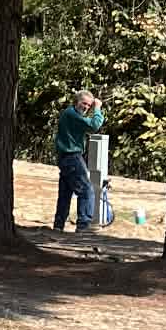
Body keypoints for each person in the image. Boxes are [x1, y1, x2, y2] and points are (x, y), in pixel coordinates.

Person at [53, 88, 105, 233]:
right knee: (86, 191)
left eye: (89, 105)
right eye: (84, 104)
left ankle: (58, 225)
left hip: (65, 158)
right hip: (72, 157)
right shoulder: (71, 114)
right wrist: (97, 108)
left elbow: (89, 123)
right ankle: (84, 226)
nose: (86, 107)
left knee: (65, 192)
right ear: (76, 102)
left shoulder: (71, 114)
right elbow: (94, 125)